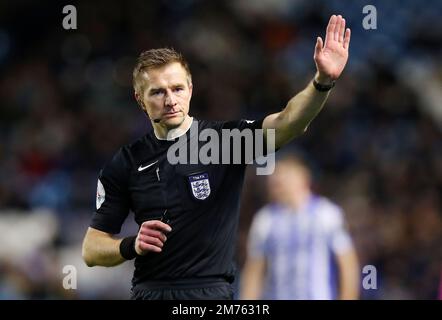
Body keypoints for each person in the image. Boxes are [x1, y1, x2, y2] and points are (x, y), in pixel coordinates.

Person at [81, 15, 351, 300]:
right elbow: (91, 249)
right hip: (151, 292)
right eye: (157, 92)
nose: (170, 100)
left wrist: (322, 82)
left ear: (191, 89)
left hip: (212, 294)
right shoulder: (126, 161)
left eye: (177, 89)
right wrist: (131, 245)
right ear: (139, 99)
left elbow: (288, 122)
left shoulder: (225, 142)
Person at [240, 155, 360, 300]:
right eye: (275, 176)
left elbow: (348, 264)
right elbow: (254, 271)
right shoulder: (264, 219)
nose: (278, 180)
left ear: (303, 178)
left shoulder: (326, 213)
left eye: (285, 174)